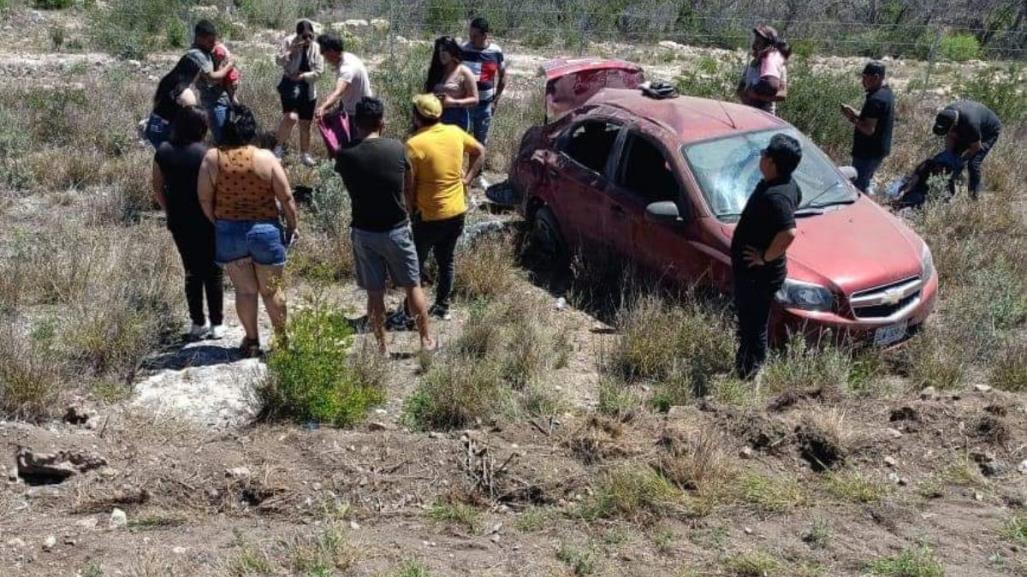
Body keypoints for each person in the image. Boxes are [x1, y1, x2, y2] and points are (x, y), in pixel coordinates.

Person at [197, 105, 299, 357]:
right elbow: (286, 197)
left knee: (245, 291)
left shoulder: (212, 158)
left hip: (230, 231)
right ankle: (282, 341)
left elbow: (204, 199)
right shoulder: (265, 158)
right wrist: (293, 225)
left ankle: (252, 341)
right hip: (265, 229)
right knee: (271, 290)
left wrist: (218, 222)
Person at [335, 97, 435, 353]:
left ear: (356, 123)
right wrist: (409, 209)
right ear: (382, 122)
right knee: (413, 286)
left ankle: (382, 348)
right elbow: (408, 185)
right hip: (397, 228)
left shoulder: (345, 155)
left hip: (364, 231)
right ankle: (425, 340)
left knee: (375, 293)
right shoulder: (397, 149)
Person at [400, 94, 485, 322]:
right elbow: (480, 151)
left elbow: (409, 187)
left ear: (417, 117)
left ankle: (410, 313)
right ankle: (442, 306)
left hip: (428, 215)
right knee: (446, 260)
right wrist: (466, 180)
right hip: (456, 210)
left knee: (415, 264)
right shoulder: (455, 133)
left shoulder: (413, 144)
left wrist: (410, 211)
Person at [731, 133, 803, 380]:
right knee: (749, 322)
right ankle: (745, 365)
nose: (760, 156)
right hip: (756, 273)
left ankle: (751, 373)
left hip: (758, 276)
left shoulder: (777, 196)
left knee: (754, 325)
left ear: (772, 162)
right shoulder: (787, 184)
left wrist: (765, 257)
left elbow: (789, 232)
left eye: (764, 153)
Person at [152, 106, 224, 340]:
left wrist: (169, 210)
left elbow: (157, 186)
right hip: (208, 218)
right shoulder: (208, 153)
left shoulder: (163, 151)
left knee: (191, 270)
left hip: (179, 219)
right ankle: (217, 323)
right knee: (213, 270)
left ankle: (197, 322)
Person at [461, 16, 507, 188]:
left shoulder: (495, 52)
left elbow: (503, 76)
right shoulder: (463, 50)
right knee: (460, 142)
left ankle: (477, 177)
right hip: (465, 106)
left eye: (475, 36)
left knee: (480, 142)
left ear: (485, 35)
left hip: (485, 106)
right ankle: (458, 177)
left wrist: (496, 100)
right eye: (470, 35)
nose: (471, 39)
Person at [273, 19, 325, 167]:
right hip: (290, 85)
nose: (308, 40)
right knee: (290, 117)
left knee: (305, 124)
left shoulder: (316, 47)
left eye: (311, 36)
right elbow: (278, 61)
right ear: (298, 35)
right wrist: (291, 51)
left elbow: (319, 72)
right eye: (304, 36)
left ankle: (304, 154)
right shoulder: (288, 42)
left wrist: (303, 76)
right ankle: (278, 148)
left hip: (308, 89)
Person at [841, 61, 895, 194]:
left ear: (876, 77)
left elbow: (868, 129)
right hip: (878, 150)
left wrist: (852, 118)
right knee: (865, 182)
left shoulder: (876, 99)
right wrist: (857, 113)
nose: (863, 81)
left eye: (865, 77)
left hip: (867, 152)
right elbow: (876, 119)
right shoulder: (886, 93)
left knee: (858, 187)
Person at [932, 100, 1002, 199]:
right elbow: (950, 136)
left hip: (988, 131)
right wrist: (949, 155)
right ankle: (947, 194)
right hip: (966, 125)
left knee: (973, 163)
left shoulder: (971, 124)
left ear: (954, 125)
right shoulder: (947, 115)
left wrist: (961, 160)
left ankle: (973, 197)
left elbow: (976, 147)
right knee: (950, 159)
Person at [186, 20, 236, 144]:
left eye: (214, 40)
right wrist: (229, 65)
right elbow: (213, 78)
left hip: (223, 99)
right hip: (214, 103)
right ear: (199, 38)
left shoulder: (207, 49)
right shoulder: (196, 54)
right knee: (223, 141)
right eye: (209, 41)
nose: (213, 44)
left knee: (229, 135)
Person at [314, 33, 372, 132]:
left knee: (358, 145)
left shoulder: (347, 68)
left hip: (360, 115)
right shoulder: (347, 57)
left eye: (322, 52)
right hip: (360, 110)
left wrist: (323, 108)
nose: (323, 57)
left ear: (331, 51)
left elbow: (338, 92)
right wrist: (338, 110)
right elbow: (348, 89)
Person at [144, 54, 202, 148]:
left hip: (155, 125)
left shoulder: (168, 80)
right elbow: (194, 120)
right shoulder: (185, 93)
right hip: (168, 130)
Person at [425, 36, 479, 132]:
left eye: (445, 50)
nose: (441, 54)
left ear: (452, 51)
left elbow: (475, 99)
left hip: (457, 121)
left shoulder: (464, 71)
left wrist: (452, 103)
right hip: (436, 118)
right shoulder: (436, 72)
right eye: (439, 51)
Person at [737, 25, 790, 116]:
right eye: (756, 40)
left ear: (768, 44)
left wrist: (758, 97)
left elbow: (783, 94)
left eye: (759, 41)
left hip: (765, 115)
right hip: (746, 112)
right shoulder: (752, 64)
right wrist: (746, 96)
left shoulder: (778, 66)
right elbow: (740, 89)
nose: (755, 44)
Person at [212, 40, 241, 106]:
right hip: (231, 74)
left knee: (232, 97)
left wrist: (218, 81)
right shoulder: (220, 47)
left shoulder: (218, 50)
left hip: (229, 75)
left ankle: (237, 108)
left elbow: (220, 66)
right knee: (232, 97)